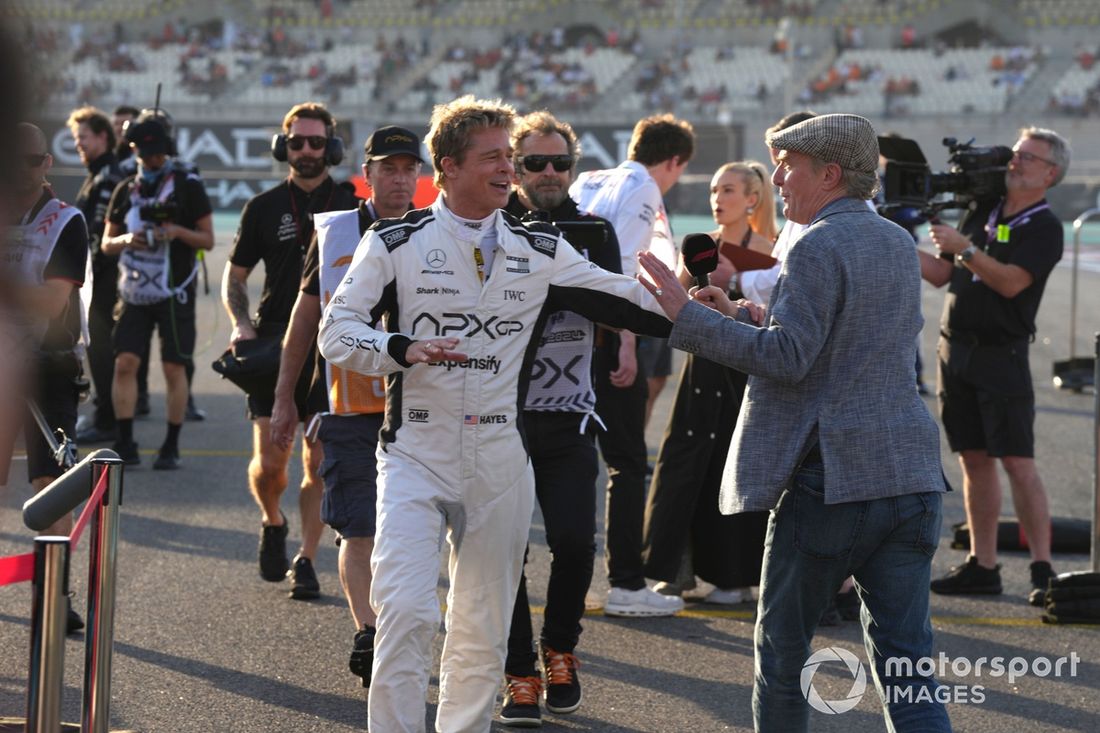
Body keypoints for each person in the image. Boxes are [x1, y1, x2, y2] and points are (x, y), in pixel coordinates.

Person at [317, 95, 670, 733]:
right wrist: (400, 347)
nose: (509, 168)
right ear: (448, 167)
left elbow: (624, 299)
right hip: (415, 455)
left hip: (503, 459)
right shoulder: (393, 241)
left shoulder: (542, 247)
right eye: (493, 158)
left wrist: (702, 310)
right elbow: (336, 332)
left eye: (510, 156)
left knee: (481, 628)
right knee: (407, 613)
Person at [638, 113, 952, 732]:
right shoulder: (894, 240)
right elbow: (842, 344)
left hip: (833, 478)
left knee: (783, 657)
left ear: (829, 174)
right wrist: (740, 315)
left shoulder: (816, 243)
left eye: (788, 167)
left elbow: (790, 358)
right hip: (909, 472)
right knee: (907, 665)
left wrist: (689, 318)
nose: (777, 178)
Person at [270, 124, 423, 682]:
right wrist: (285, 397)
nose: (400, 180)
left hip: (419, 409)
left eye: (409, 169)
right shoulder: (335, 232)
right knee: (359, 528)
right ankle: (368, 631)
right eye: (389, 169)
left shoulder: (435, 230)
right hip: (347, 408)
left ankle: (400, 625)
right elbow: (305, 316)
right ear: (368, 174)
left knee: (409, 534)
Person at [498, 111, 622, 726]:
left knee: (574, 542)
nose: (549, 172)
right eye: (535, 162)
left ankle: (560, 651)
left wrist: (621, 346)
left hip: (570, 414)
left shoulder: (595, 231)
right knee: (506, 550)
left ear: (573, 168)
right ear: (514, 167)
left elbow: (618, 305)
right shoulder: (493, 226)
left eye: (560, 162)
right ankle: (519, 670)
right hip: (500, 418)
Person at [920, 127, 1069, 606]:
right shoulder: (984, 207)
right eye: (1017, 153)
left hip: (1001, 354)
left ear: (1050, 173)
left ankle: (1043, 567)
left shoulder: (1045, 227)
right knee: (973, 459)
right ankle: (982, 565)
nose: (1015, 161)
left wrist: (965, 248)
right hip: (954, 348)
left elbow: (1010, 283)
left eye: (1028, 157)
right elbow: (941, 274)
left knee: (1018, 462)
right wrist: (893, 240)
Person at [222, 102, 357, 597]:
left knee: (317, 463)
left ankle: (306, 557)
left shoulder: (352, 204)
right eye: (297, 142)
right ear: (283, 146)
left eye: (316, 142)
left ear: (332, 147)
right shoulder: (262, 207)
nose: (306, 150)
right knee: (270, 465)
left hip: (332, 344)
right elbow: (235, 276)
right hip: (273, 343)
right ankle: (272, 519)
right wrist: (241, 323)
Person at [568, 113, 695, 618]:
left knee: (569, 458)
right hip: (607, 332)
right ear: (674, 161)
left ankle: (573, 579)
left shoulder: (589, 178)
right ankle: (625, 582)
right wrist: (623, 338)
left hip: (567, 334)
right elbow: (618, 266)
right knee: (625, 461)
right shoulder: (643, 188)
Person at [643, 160, 776, 605]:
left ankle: (734, 576)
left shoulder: (771, 249)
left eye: (729, 190)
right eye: (715, 190)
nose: (718, 198)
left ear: (752, 199)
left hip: (744, 370)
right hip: (701, 369)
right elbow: (672, 306)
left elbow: (778, 312)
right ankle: (673, 569)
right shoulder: (701, 246)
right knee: (682, 465)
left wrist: (736, 283)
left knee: (733, 466)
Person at [6, 123, 89, 633]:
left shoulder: (65, 220)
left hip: (47, 366)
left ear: (46, 164)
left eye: (32, 160)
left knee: (49, 483)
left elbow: (54, 300)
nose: (22, 170)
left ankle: (54, 593)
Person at [101, 114, 215, 469]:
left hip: (174, 291)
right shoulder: (125, 189)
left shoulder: (188, 186)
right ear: (134, 150)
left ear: (167, 150)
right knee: (125, 364)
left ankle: (171, 445)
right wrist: (126, 239)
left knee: (173, 368)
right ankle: (125, 441)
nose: (152, 159)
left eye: (158, 153)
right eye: (145, 153)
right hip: (133, 291)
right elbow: (106, 243)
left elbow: (208, 239)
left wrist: (176, 232)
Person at [66, 106, 125, 444]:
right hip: (99, 277)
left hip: (104, 279)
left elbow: (98, 236)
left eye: (83, 137)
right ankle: (107, 415)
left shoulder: (108, 177)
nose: (79, 144)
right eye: (76, 139)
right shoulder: (99, 174)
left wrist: (84, 278)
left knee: (102, 351)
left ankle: (108, 420)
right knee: (99, 351)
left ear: (103, 136)